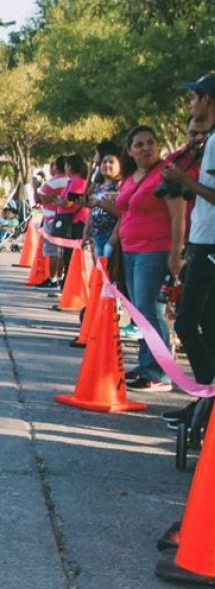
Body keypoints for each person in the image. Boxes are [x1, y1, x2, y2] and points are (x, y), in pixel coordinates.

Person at [108, 125, 186, 392]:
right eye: (139, 144)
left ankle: (160, 372)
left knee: (150, 309)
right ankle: (146, 364)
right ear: (129, 150)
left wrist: (176, 253)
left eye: (150, 143)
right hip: (130, 249)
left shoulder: (165, 175)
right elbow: (125, 210)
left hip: (155, 250)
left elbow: (178, 215)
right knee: (139, 311)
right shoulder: (132, 176)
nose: (145, 148)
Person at [161, 73, 215, 430]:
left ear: (207, 100)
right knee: (206, 326)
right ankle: (204, 401)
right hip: (201, 240)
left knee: (187, 321)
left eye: (194, 98)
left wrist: (186, 182)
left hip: (211, 244)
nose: (191, 105)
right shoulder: (208, 141)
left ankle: (207, 397)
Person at [83, 143, 124, 256]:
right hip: (96, 235)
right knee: (98, 271)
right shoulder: (98, 186)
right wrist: (86, 233)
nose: (106, 164)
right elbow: (86, 203)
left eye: (111, 162)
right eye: (104, 162)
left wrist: (114, 237)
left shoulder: (119, 186)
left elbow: (122, 213)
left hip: (109, 235)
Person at [35, 157, 70, 288]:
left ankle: (52, 278)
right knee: (61, 251)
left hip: (52, 219)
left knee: (53, 251)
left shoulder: (54, 181)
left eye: (53, 166)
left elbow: (39, 197)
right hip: (64, 218)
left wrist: (39, 191)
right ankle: (60, 277)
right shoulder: (69, 181)